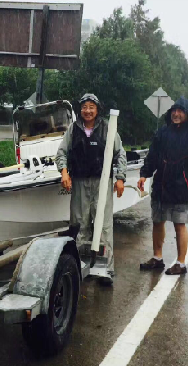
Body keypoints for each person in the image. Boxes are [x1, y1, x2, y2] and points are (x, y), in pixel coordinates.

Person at [55, 93, 127, 285]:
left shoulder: (108, 129)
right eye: (84, 107)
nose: (87, 110)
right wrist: (64, 173)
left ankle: (107, 270)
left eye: (91, 107)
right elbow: (61, 152)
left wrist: (120, 178)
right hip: (79, 183)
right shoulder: (73, 129)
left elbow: (120, 153)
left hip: (102, 184)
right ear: (80, 110)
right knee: (79, 226)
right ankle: (79, 268)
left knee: (104, 228)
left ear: (97, 110)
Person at [139, 97, 188, 275]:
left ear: (187, 114)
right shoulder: (163, 132)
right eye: (174, 111)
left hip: (182, 185)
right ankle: (157, 258)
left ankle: (181, 263)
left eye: (180, 111)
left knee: (180, 224)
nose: (176, 114)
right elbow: (153, 154)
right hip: (161, 183)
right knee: (158, 221)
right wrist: (144, 174)